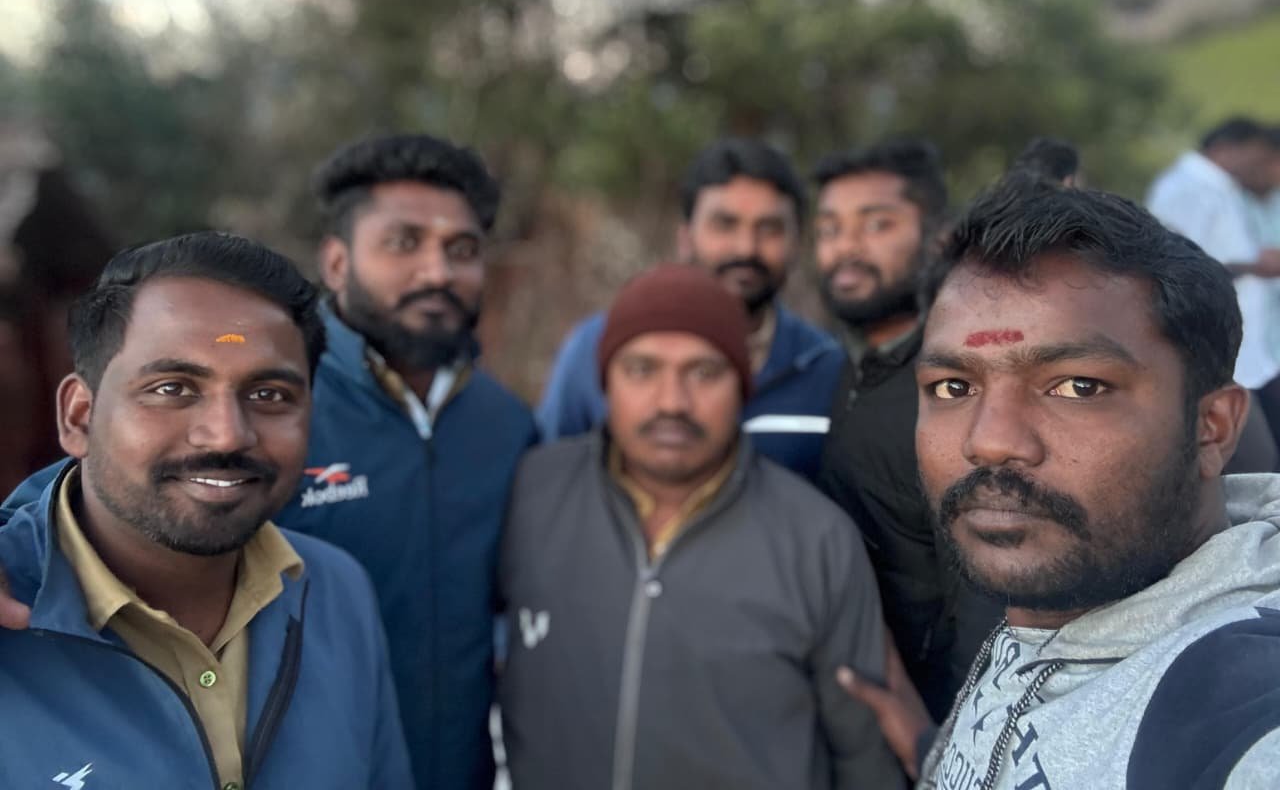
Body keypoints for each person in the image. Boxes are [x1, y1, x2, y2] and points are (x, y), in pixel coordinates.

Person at [3, 135, 539, 790]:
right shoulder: (282, 399)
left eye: (462, 250)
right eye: (404, 242)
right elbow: (109, 485)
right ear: (337, 261)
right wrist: (15, 542)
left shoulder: (506, 427)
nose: (437, 272)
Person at [840, 179, 1280, 788]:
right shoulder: (1053, 595)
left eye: (1077, 386)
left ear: (1213, 427)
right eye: (953, 387)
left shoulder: (1238, 705)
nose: (989, 442)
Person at [0, 232, 412, 788]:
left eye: (269, 394)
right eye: (173, 388)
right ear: (79, 417)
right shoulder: (12, 614)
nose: (227, 434)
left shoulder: (337, 594)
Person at [500, 263, 902, 789]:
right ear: (604, 382)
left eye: (704, 372)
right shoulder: (534, 493)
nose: (672, 401)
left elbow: (864, 757)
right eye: (642, 369)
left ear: (743, 387)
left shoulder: (817, 540)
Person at [813, 139, 1001, 722]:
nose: (847, 247)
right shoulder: (844, 365)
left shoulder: (957, 384)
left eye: (877, 224)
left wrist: (949, 741)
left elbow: (989, 590)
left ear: (937, 238)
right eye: (829, 228)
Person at [537, 137, 843, 481]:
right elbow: (553, 483)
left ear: (796, 243)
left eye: (769, 229)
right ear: (685, 237)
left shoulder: (826, 366)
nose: (746, 247)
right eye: (725, 224)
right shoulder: (596, 348)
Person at [1147, 118, 1280, 434]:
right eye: (1258, 152)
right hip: (1219, 350)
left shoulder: (1220, 188)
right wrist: (1253, 265)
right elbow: (1177, 264)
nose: (1261, 162)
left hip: (1249, 356)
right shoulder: (1186, 189)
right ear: (1226, 148)